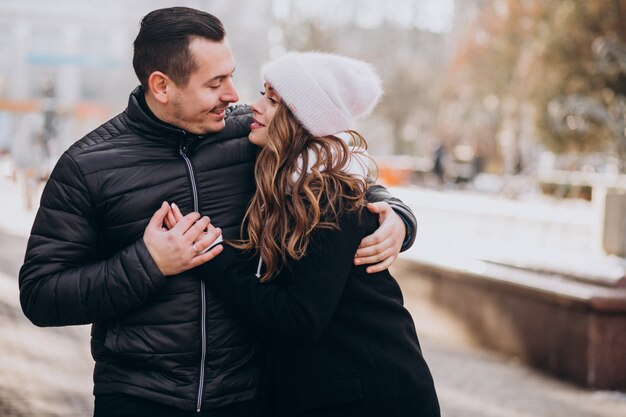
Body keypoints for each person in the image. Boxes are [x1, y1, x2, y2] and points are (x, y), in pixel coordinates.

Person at [18, 7, 418, 417]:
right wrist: (149, 263)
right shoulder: (88, 166)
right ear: (162, 86)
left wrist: (398, 216)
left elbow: (336, 171)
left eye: (231, 75)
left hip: (248, 396)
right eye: (215, 83)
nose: (233, 94)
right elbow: (40, 295)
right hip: (140, 397)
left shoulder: (252, 135)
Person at [168, 52, 440, 417]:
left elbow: (300, 318)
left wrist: (211, 255)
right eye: (263, 93)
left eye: (272, 99)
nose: (255, 106)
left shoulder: (328, 197)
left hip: (374, 396)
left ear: (302, 119)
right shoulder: (287, 182)